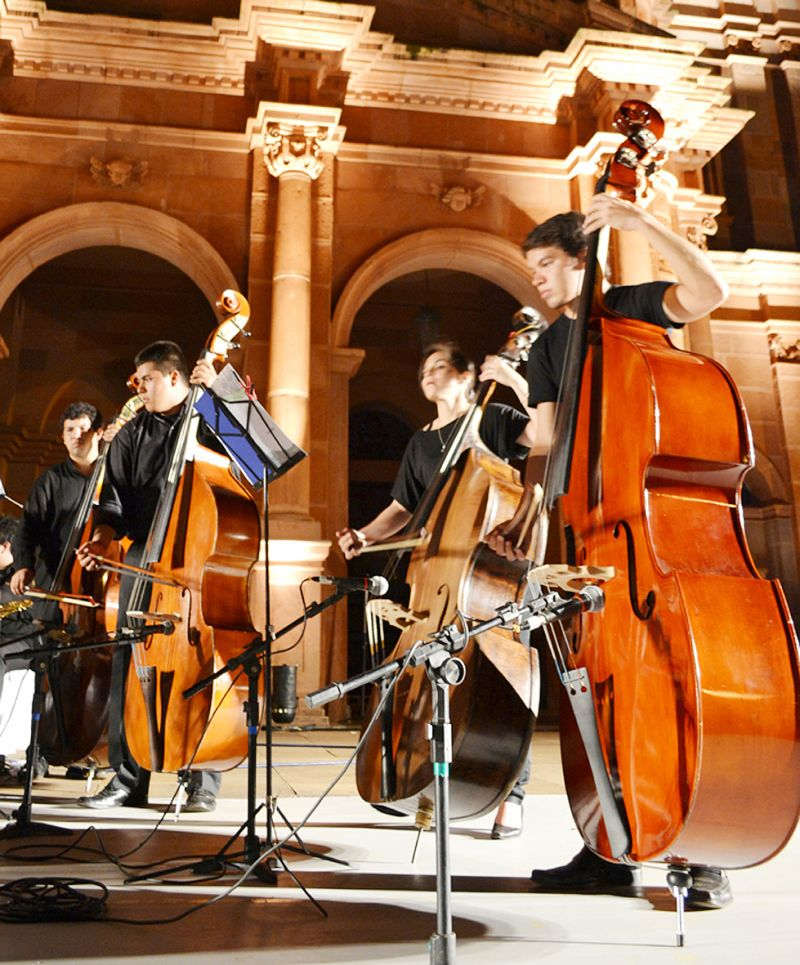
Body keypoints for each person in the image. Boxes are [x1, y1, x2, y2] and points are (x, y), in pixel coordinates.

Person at [481, 195, 733, 909]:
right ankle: (606, 843)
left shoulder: (627, 308)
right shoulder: (549, 345)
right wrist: (510, 408)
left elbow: (711, 292)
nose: (537, 280)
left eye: (547, 265)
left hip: (650, 535)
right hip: (590, 537)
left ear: (581, 259)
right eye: (530, 269)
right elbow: (547, 439)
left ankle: (695, 842)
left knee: (676, 689)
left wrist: (643, 225)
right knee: (593, 690)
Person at [337, 340, 539, 838]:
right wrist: (365, 534)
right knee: (423, 681)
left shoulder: (493, 419)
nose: (427, 375)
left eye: (440, 367)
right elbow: (404, 508)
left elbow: (543, 433)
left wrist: (514, 381)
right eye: (423, 368)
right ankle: (426, 785)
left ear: (468, 376)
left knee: (503, 684)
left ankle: (510, 794)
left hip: (490, 572)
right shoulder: (422, 441)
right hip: (434, 575)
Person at [74, 341, 224, 813]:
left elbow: (263, 456)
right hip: (142, 557)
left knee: (202, 665)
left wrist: (223, 393)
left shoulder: (210, 419)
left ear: (176, 378)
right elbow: (113, 506)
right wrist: (101, 539)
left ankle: (201, 778)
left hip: (198, 557)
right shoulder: (129, 434)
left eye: (147, 379)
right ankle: (127, 778)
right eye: (138, 379)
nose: (138, 387)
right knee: (129, 661)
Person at [9, 402, 104, 596]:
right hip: (54, 583)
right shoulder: (50, 480)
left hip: (103, 584)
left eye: (84, 429)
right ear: (62, 437)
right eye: (70, 429)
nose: (77, 435)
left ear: (99, 433)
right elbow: (27, 529)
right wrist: (23, 566)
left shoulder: (113, 477)